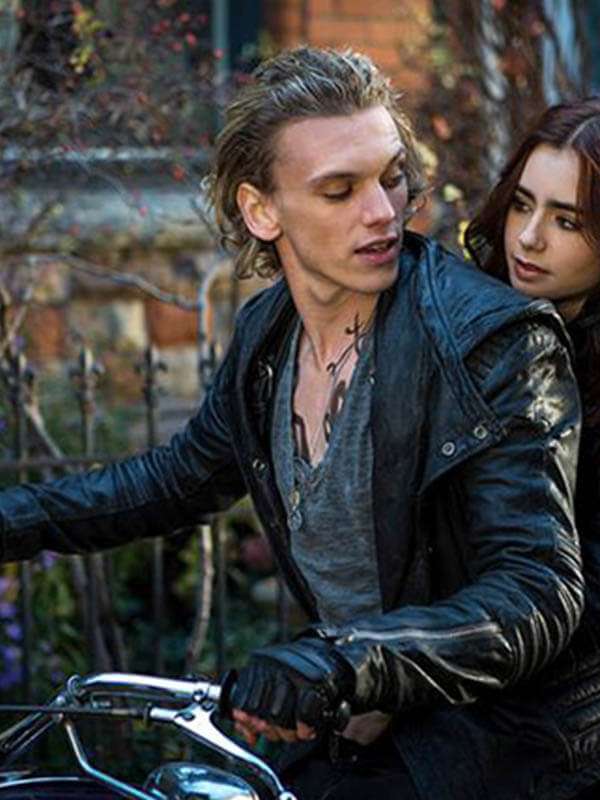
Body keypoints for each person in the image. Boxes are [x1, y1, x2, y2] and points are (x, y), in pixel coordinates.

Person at [0, 47, 587, 799]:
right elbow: (174, 480)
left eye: (391, 177)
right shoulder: (268, 336)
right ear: (262, 210)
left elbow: (536, 592)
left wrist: (341, 661)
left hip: (499, 744)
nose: (384, 213)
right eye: (339, 190)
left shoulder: (489, 340)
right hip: (363, 725)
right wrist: (16, 520)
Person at [465, 97, 600, 800]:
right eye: (522, 204)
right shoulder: (479, 326)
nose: (529, 237)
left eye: (566, 220)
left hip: (559, 723)